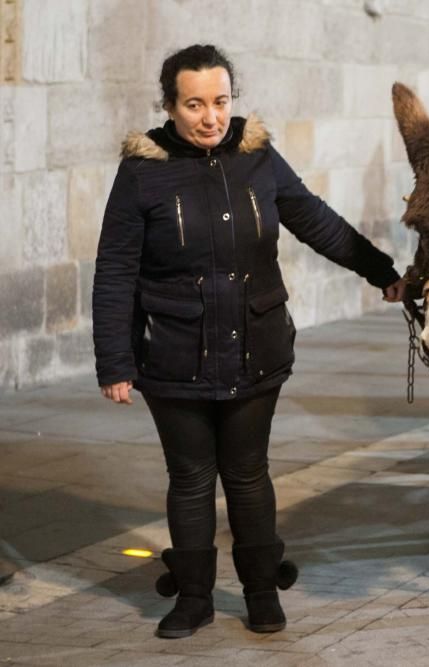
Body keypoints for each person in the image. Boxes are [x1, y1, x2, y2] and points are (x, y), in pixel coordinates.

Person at [92, 44, 405, 639]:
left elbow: (314, 219)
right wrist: (115, 359)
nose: (210, 117)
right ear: (169, 107)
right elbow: (114, 270)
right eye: (194, 105)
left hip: (255, 343)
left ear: (232, 99)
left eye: (220, 101)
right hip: (173, 353)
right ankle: (193, 599)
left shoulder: (257, 156)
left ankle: (262, 592)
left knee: (247, 473)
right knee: (189, 478)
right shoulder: (142, 172)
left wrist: (382, 271)